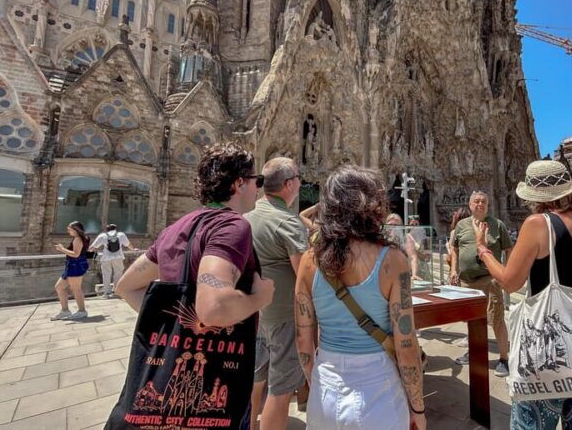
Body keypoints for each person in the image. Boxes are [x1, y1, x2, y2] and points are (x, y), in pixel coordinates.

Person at [114, 142, 275, 426]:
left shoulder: (176, 229)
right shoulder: (232, 226)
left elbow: (125, 287)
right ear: (239, 183)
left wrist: (176, 325)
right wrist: (260, 299)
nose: (259, 189)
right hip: (216, 375)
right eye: (257, 181)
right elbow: (214, 307)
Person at [472, 160, 572, 429]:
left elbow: (510, 282)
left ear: (534, 196)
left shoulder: (539, 223)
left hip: (550, 350)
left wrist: (483, 250)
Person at [294, 165, 426, 430]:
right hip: (378, 391)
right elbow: (406, 345)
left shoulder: (309, 260)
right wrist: (417, 408)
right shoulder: (392, 261)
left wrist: (317, 383)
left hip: (325, 390)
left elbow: (303, 341)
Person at [245, 157, 308, 430]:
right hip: (283, 316)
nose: (300, 183)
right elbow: (305, 277)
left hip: (254, 312)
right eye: (298, 178)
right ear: (289, 184)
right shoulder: (287, 222)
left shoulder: (247, 217)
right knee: (280, 389)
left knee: (255, 379)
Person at [449, 190, 512, 376]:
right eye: (476, 201)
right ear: (470, 205)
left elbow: (509, 249)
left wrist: (505, 273)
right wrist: (453, 270)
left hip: (489, 281)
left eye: (483, 201)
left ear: (488, 205)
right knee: (472, 321)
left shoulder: (497, 225)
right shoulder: (461, 225)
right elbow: (454, 248)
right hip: (467, 282)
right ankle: (474, 352)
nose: (480, 204)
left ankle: (504, 359)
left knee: (497, 320)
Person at [51, 221, 91, 320]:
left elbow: (76, 254)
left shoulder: (77, 239)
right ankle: (65, 311)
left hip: (75, 266)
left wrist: (62, 249)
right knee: (59, 287)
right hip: (72, 266)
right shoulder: (81, 238)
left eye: (70, 230)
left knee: (76, 289)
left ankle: (82, 311)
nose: (68, 231)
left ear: (76, 230)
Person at [88, 224, 136, 298]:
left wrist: (88, 250)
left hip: (106, 258)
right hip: (118, 257)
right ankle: (116, 292)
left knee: (106, 275)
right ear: (115, 229)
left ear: (107, 230)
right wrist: (133, 249)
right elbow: (128, 244)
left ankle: (107, 293)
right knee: (118, 274)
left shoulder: (102, 236)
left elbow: (92, 247)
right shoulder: (121, 235)